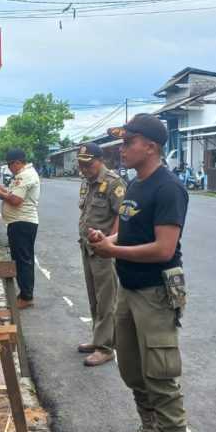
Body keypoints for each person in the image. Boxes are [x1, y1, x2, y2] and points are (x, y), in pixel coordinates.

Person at [89, 114, 189, 432]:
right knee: (131, 369)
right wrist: (108, 238)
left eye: (129, 141)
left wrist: (113, 251)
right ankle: (149, 430)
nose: (123, 148)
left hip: (155, 294)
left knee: (161, 376)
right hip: (129, 291)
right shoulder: (134, 185)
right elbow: (124, 230)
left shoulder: (168, 188)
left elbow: (165, 249)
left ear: (151, 145)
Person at [76, 142, 126, 367]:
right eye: (81, 164)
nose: (84, 168)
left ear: (100, 160)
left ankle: (105, 348)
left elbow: (121, 217)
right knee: (94, 297)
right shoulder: (88, 183)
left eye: (88, 164)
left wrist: (110, 245)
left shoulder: (114, 183)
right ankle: (98, 338)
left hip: (105, 251)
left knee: (107, 300)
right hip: (88, 247)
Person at [0, 148, 41, 309]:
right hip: (20, 223)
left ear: (18, 162)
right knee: (21, 260)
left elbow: (16, 200)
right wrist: (3, 190)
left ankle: (26, 296)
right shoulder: (21, 175)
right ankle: (24, 293)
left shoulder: (25, 175)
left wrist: (1, 194)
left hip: (23, 223)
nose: (9, 168)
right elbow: (13, 194)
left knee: (23, 261)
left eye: (9, 164)